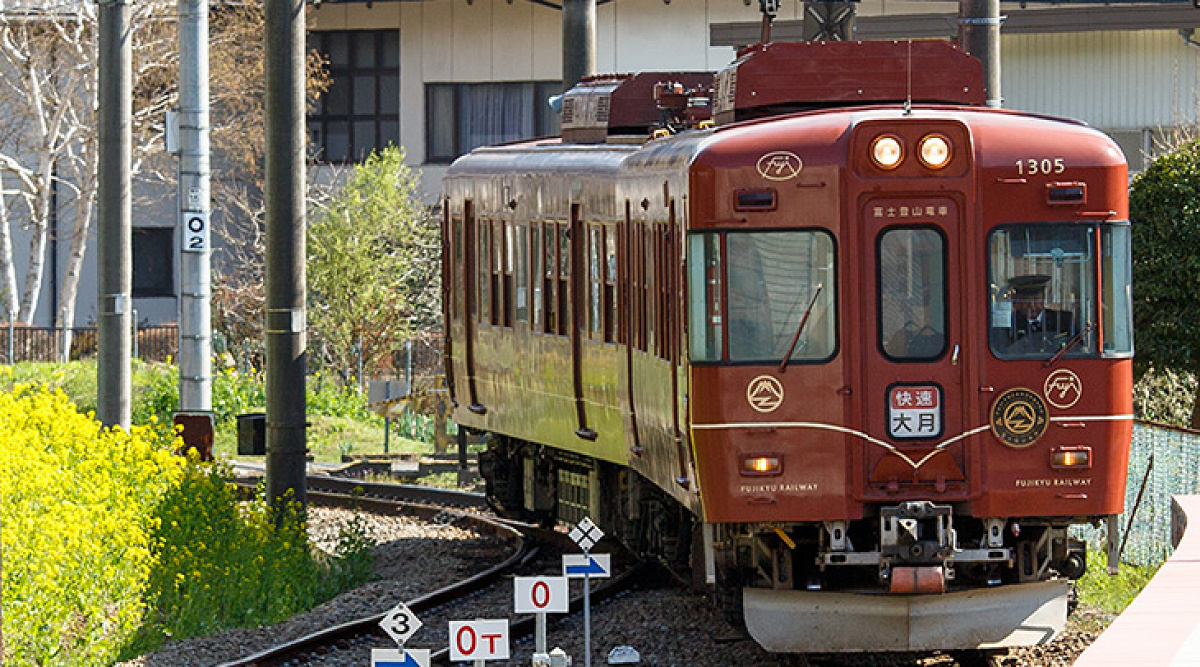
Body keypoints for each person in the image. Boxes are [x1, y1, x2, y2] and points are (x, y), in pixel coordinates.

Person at [1008, 275, 1074, 349]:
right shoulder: (1010, 322)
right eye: (1027, 301)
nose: (1032, 306)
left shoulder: (1063, 320)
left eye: (1036, 300)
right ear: (1018, 302)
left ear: (1043, 299)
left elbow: (1077, 349)